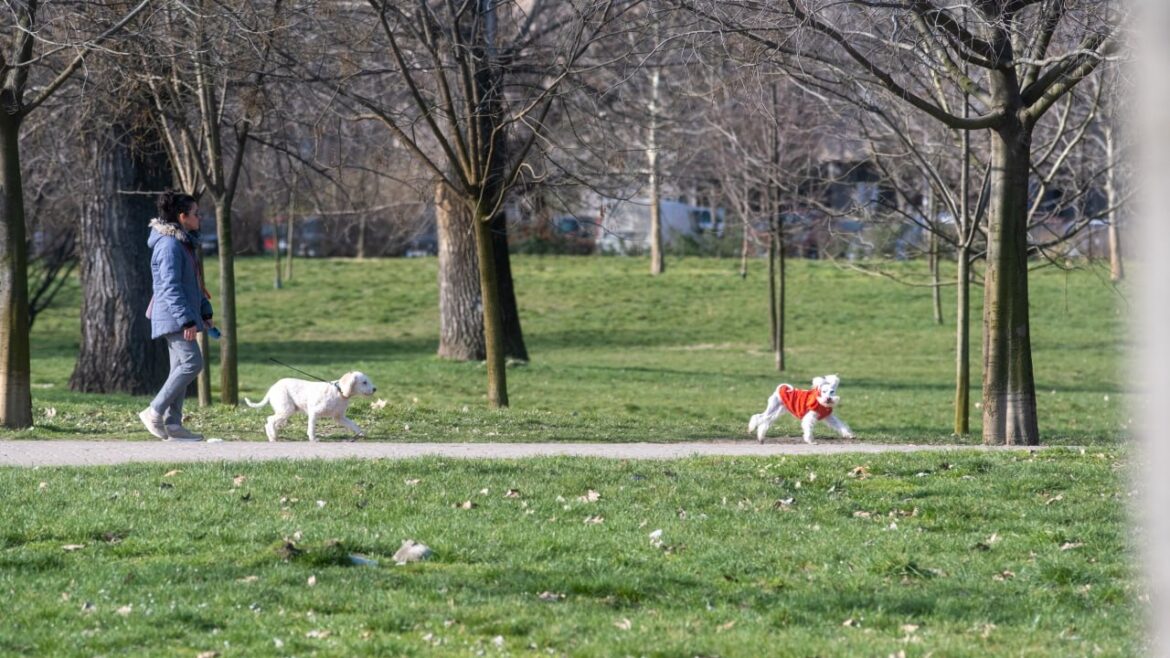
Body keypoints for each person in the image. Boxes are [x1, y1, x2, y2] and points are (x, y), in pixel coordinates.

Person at [138, 190, 214, 441]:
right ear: (182, 217)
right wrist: (187, 320)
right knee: (193, 364)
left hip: (181, 315)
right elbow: (169, 287)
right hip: (173, 317)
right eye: (196, 214)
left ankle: (173, 425)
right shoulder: (169, 245)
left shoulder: (183, 243)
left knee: (180, 368)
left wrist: (204, 311)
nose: (199, 218)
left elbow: (192, 282)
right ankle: (154, 411)